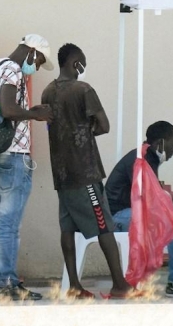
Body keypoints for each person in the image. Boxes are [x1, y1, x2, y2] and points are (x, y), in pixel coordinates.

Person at [42, 43, 134, 299]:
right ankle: (119, 285)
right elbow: (103, 125)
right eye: (82, 63)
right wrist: (87, 127)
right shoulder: (83, 89)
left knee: (68, 228)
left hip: (61, 174)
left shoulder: (47, 92)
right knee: (104, 227)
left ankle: (73, 285)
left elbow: (51, 128)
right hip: (85, 172)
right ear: (75, 64)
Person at [105, 121, 173, 298]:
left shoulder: (148, 158)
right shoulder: (140, 161)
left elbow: (158, 201)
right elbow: (155, 203)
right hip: (117, 217)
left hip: (128, 213)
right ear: (161, 143)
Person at [0, 34, 53, 302]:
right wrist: (34, 113)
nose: (36, 67)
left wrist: (28, 110)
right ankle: (9, 285)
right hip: (13, 155)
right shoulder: (12, 69)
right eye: (40, 61)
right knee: (9, 223)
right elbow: (9, 110)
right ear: (32, 53)